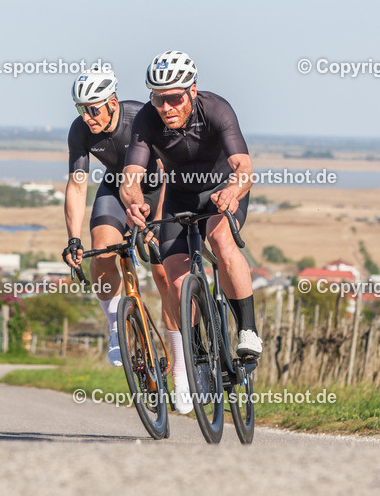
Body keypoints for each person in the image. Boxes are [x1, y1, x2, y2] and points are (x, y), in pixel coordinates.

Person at [121, 50, 261, 414]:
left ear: (192, 91)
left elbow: (243, 165)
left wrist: (233, 190)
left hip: (221, 191)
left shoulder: (216, 110)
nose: (166, 106)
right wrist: (134, 201)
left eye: (174, 98)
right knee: (178, 281)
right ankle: (197, 352)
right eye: (157, 98)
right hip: (180, 198)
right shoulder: (147, 122)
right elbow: (131, 179)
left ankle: (247, 329)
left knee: (220, 238)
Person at [62, 69, 174, 368]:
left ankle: (181, 356)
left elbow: (169, 173)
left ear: (112, 102)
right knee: (100, 252)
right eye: (80, 109)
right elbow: (77, 185)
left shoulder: (140, 116)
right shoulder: (80, 131)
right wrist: (74, 239)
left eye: (93, 109)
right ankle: (116, 328)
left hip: (158, 190)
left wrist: (157, 222)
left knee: (163, 271)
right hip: (116, 188)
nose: (87, 117)